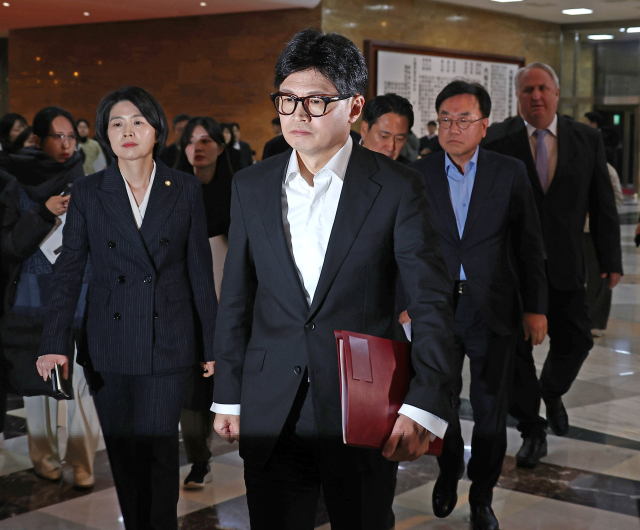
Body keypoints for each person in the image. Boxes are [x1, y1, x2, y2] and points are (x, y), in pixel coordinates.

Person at [212, 28, 455, 530]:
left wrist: (425, 403)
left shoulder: (396, 187)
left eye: (317, 101)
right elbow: (237, 298)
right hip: (271, 403)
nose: (298, 115)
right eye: (287, 99)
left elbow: (431, 303)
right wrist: (228, 394)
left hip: (362, 403)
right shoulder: (251, 185)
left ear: (354, 107)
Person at [36, 87, 217, 530]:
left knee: (158, 454)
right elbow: (68, 270)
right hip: (108, 342)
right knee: (124, 458)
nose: (127, 131)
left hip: (167, 339)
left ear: (156, 130)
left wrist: (213, 344)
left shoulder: (184, 188)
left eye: (138, 121)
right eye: (116, 123)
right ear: (105, 134)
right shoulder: (88, 190)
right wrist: (54, 342)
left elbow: (199, 270)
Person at [410, 81, 547, 530]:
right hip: (437, 309)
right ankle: (449, 468)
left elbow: (529, 244)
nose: (453, 128)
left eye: (464, 120)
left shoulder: (508, 172)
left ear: (484, 125)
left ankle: (483, 495)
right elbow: (404, 246)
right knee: (441, 400)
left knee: (491, 407)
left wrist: (536, 308)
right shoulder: (419, 173)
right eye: (445, 120)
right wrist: (406, 303)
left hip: (493, 308)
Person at [482, 62, 623, 467]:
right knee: (516, 355)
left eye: (543, 88)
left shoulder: (586, 139)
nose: (536, 96)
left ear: (557, 94)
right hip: (513, 269)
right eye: (528, 90)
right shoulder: (498, 138)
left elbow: (602, 203)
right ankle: (532, 430)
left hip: (564, 264)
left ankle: (552, 390)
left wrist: (611, 259)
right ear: (517, 97)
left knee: (577, 339)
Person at [0, 106, 100, 488]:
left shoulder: (87, 182)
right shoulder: (16, 185)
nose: (66, 144)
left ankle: (82, 461)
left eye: (71, 136)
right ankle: (43, 457)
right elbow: (10, 245)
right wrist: (43, 213)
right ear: (37, 140)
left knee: (83, 382)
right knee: (37, 384)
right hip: (32, 296)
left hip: (80, 293)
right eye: (58, 137)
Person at [175, 116, 234, 489]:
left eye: (206, 140)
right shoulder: (169, 189)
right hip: (184, 292)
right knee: (192, 383)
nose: (197, 148)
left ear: (221, 147)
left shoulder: (237, 189)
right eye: (190, 141)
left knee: (229, 370)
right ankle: (199, 458)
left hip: (229, 289)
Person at [360, 93, 413, 164]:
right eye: (384, 136)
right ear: (364, 130)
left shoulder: (409, 169)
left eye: (399, 139)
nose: (391, 147)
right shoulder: (346, 160)